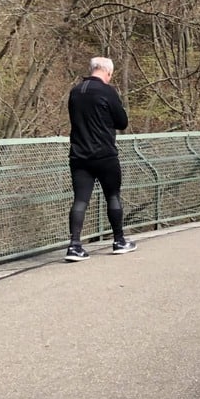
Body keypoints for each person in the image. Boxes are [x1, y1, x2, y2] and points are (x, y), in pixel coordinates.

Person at [65, 56, 136, 260]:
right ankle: (119, 241)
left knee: (80, 200)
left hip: (79, 155)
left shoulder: (75, 92)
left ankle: (74, 245)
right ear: (108, 72)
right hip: (105, 155)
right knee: (112, 196)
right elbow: (122, 122)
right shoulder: (107, 91)